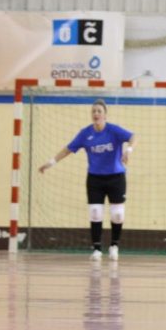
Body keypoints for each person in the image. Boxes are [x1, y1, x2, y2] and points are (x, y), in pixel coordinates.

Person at [39, 98, 136, 262]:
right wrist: (51, 162)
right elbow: (68, 149)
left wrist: (129, 150)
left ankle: (114, 246)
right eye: (93, 111)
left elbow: (133, 136)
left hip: (116, 177)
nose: (96, 114)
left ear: (105, 115)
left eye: (99, 111)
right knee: (95, 213)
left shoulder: (113, 130)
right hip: (95, 179)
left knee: (117, 215)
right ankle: (97, 249)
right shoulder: (85, 133)